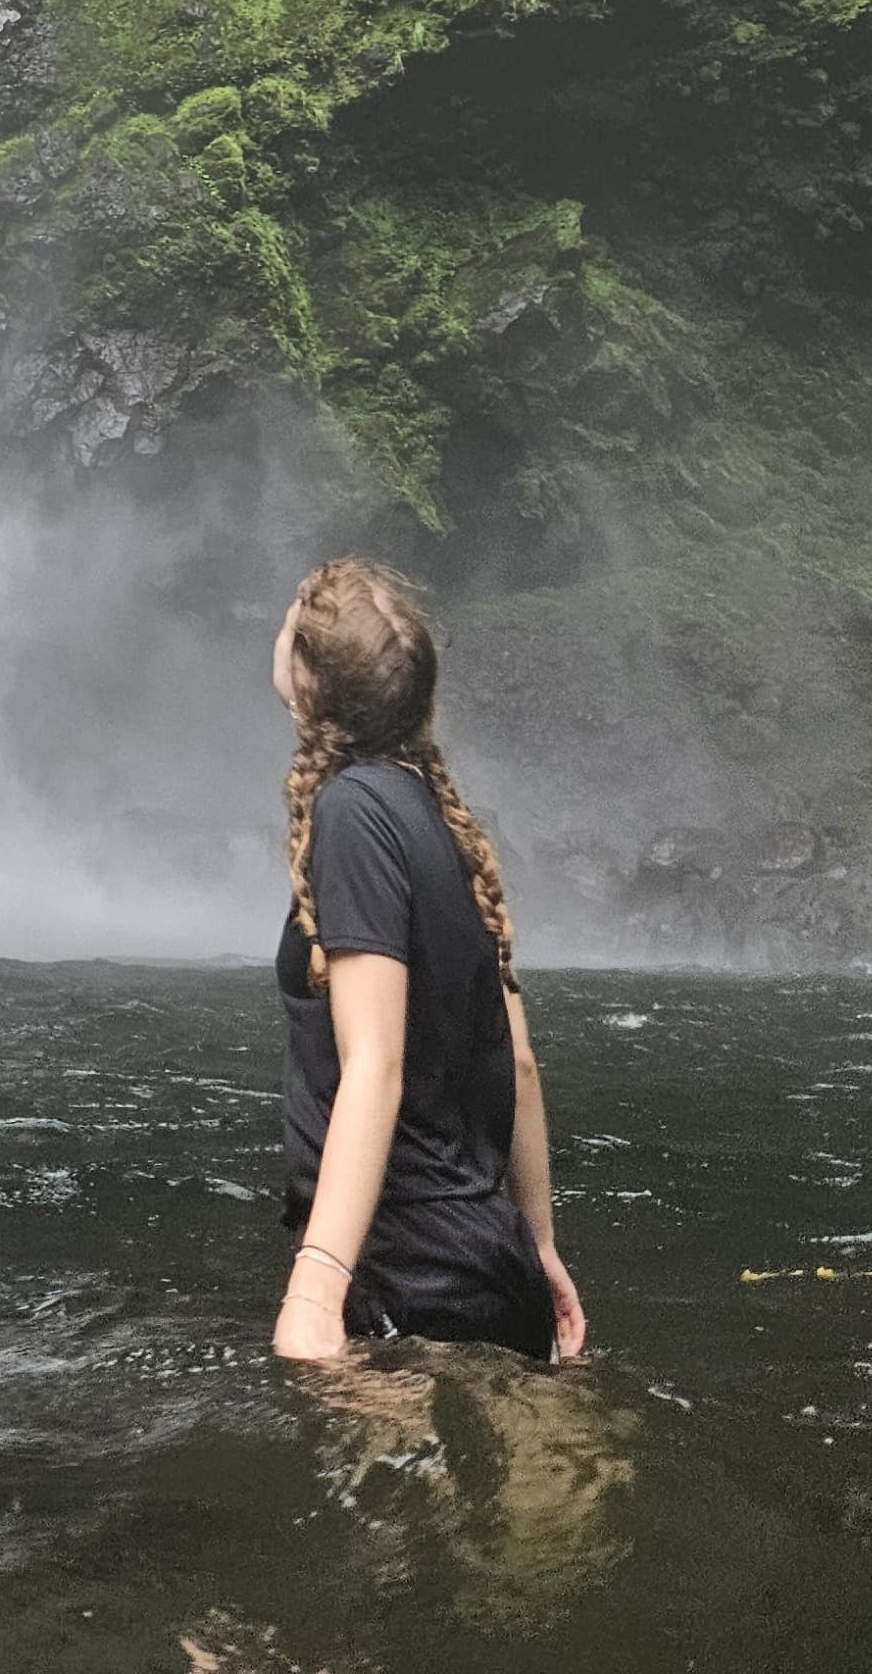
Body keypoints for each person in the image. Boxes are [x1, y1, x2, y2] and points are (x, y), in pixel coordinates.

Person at [267, 556, 588, 1367]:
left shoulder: (350, 814)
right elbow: (518, 1061)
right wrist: (539, 1246)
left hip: (411, 1284)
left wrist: (315, 1284)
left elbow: (374, 1061)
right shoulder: (445, 825)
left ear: (309, 680)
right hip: (490, 1263)